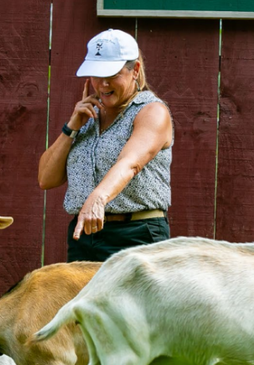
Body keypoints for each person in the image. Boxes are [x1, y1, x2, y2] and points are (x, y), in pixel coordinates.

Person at [38, 27, 173, 262]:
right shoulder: (87, 118)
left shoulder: (152, 111)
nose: (102, 83)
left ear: (135, 71)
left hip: (136, 236)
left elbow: (130, 163)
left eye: (112, 74)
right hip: (84, 238)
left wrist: (98, 198)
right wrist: (72, 127)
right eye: (96, 74)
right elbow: (45, 179)